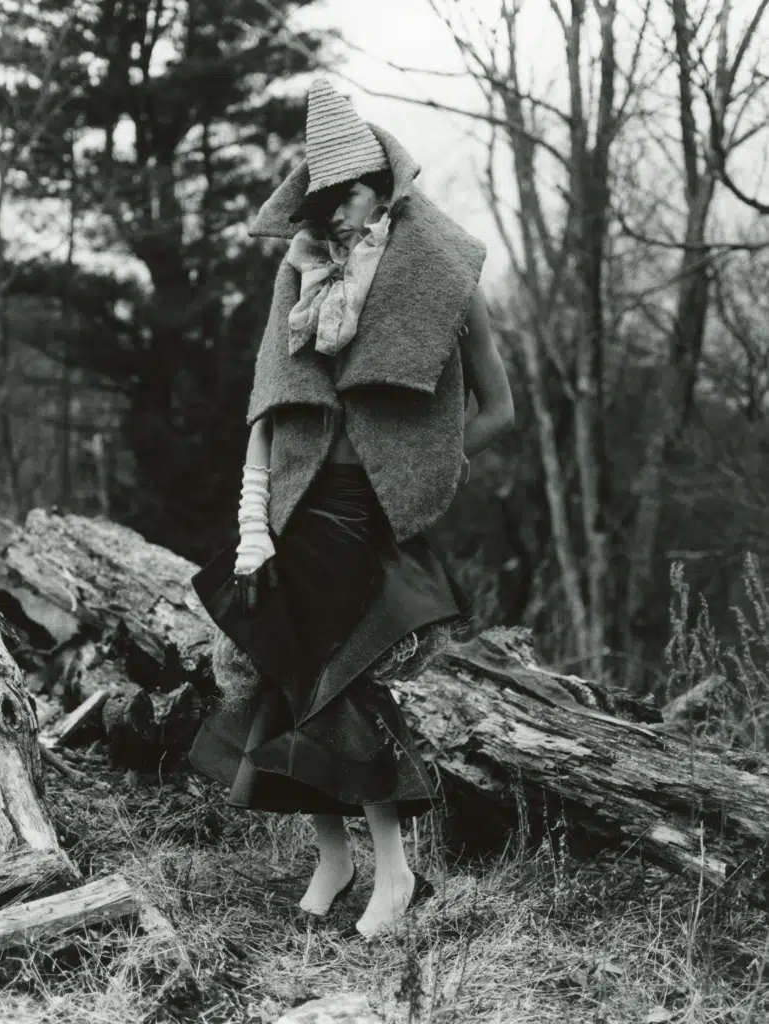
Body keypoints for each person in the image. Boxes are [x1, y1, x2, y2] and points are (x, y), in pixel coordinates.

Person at [188, 78, 514, 941]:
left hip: (366, 515)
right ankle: (333, 858)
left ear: (387, 191)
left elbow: (497, 410)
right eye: (321, 199)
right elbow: (269, 406)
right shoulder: (298, 273)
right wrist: (252, 525)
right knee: (283, 672)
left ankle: (397, 873)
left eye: (350, 195)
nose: (333, 213)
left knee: (345, 684)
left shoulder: (441, 279)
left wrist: (411, 471)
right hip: (292, 509)